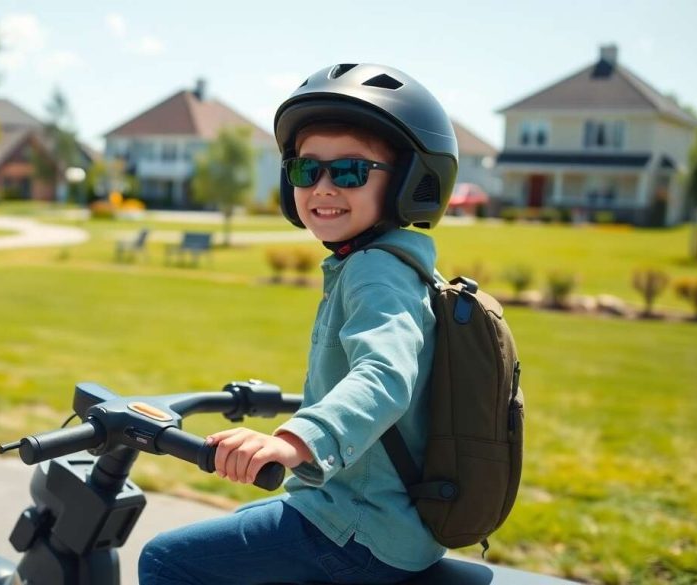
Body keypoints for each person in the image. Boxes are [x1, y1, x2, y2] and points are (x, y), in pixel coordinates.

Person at [138, 63, 460, 585]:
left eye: (350, 170)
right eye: (307, 170)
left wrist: (293, 441)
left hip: (358, 528)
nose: (324, 187)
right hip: (375, 517)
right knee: (241, 528)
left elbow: (384, 377)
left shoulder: (375, 270)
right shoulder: (391, 264)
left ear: (408, 181)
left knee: (167, 559)